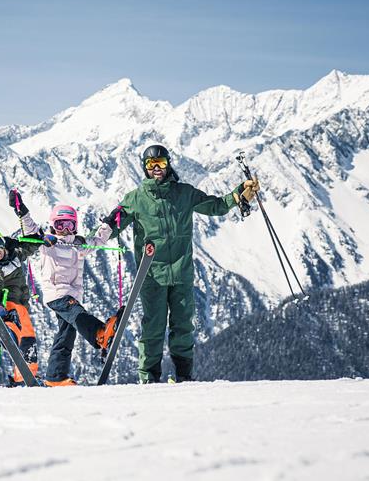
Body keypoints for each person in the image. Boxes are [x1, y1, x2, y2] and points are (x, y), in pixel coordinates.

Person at [103, 144, 259, 384]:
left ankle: (184, 376)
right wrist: (91, 237)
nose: (157, 169)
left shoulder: (185, 193)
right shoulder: (135, 199)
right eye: (151, 165)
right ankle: (148, 377)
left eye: (161, 164)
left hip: (182, 273)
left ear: (168, 164)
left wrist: (239, 194)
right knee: (153, 328)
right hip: (152, 276)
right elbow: (113, 224)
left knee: (183, 327)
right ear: (144, 168)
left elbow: (215, 205)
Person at [10, 191, 120, 387]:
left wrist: (110, 223)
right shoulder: (47, 243)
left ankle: (56, 376)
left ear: (75, 226)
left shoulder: (79, 245)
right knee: (77, 313)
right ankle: (99, 334)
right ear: (53, 225)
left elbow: (98, 240)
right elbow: (30, 230)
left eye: (69, 225)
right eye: (60, 225)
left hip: (72, 295)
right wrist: (22, 211)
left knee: (66, 334)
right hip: (56, 294)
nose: (65, 230)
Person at [0, 224, 43, 386]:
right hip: (9, 302)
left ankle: (24, 377)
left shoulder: (15, 255)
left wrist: (40, 240)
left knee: (28, 340)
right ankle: (9, 333)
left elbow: (29, 248)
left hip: (23, 305)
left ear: (3, 242)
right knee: (14, 320)